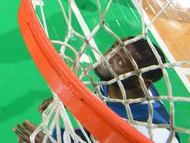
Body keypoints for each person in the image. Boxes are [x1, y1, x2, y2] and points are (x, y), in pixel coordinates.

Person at [14, 37, 178, 142]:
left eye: (120, 61)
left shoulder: (150, 132)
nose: (106, 58)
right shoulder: (119, 82)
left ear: (141, 83)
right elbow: (102, 98)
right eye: (113, 48)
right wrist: (70, 97)